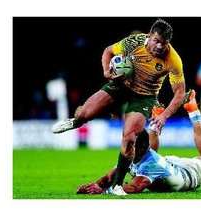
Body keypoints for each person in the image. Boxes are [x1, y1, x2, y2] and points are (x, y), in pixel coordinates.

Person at [51, 18, 186, 191]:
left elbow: (180, 93)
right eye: (156, 41)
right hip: (121, 85)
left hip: (144, 97)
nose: (160, 46)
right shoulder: (133, 42)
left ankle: (117, 186)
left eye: (164, 43)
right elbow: (108, 51)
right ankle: (75, 121)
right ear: (149, 36)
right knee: (84, 114)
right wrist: (106, 71)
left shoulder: (173, 60)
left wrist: (163, 116)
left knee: (130, 138)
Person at [76, 89, 201, 195]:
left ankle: (193, 110)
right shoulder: (130, 153)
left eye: (130, 145)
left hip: (188, 173)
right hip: (166, 164)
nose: (126, 147)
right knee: (150, 159)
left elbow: (134, 187)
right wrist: (93, 186)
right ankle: (155, 118)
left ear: (140, 148)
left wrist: (103, 192)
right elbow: (109, 177)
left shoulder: (150, 167)